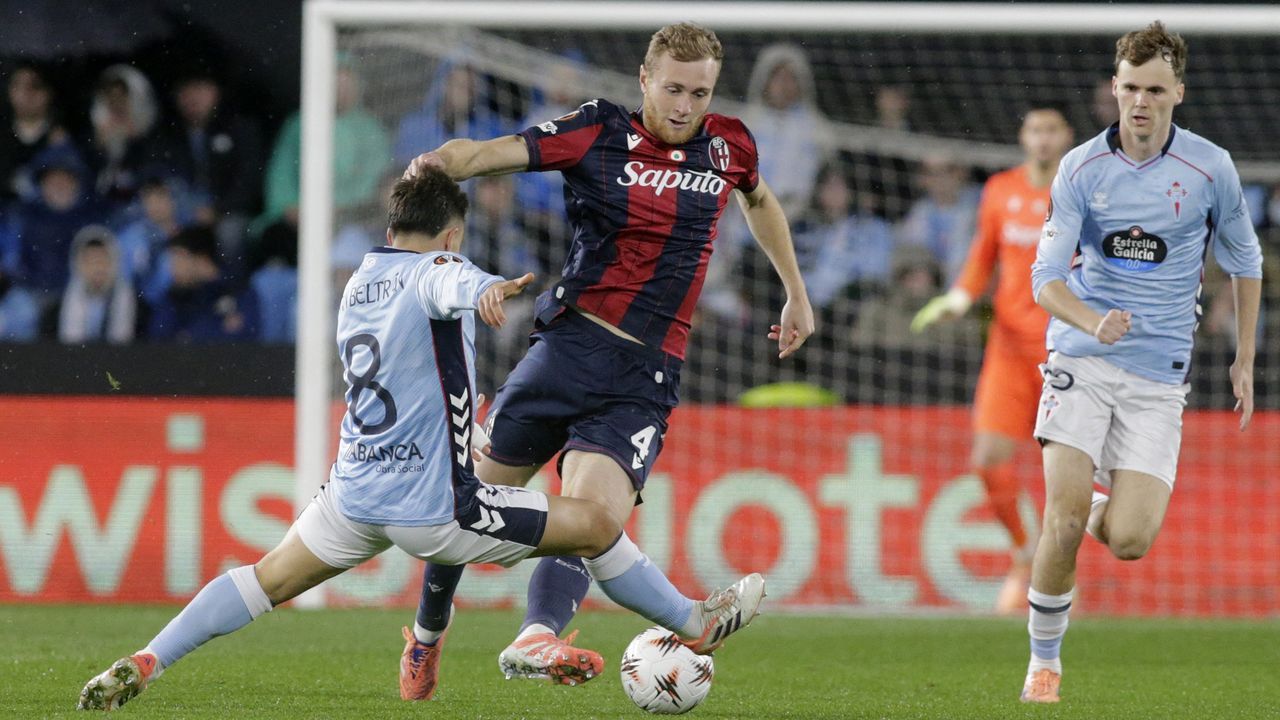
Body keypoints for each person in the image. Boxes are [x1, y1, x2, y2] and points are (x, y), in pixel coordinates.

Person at [77, 169, 765, 711]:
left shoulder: (359, 282)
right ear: (449, 234)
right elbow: (451, 281)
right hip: (435, 509)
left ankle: (149, 658)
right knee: (594, 523)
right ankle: (693, 621)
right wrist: (490, 286)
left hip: (353, 495)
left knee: (265, 580)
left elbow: (432, 283)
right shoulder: (440, 270)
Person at [399, 22, 813, 699]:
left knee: (592, 521)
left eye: (699, 93)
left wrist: (795, 293)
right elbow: (487, 154)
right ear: (645, 80)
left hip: (644, 377)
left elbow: (759, 199)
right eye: (673, 89)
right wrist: (437, 165)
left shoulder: (728, 144)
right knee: (458, 509)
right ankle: (426, 636)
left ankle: (537, 636)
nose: (684, 106)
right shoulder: (597, 132)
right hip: (564, 352)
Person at [1019, 22, 1262, 703]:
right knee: (1061, 522)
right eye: (1130, 87)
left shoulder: (1210, 168)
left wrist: (1244, 359)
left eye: (1155, 89)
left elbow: (1246, 262)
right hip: (1082, 359)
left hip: (1159, 376)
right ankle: (1045, 664)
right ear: (1114, 88)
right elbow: (1045, 278)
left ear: (1177, 92)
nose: (1140, 102)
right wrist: (1092, 321)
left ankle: (1103, 502)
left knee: (1127, 540)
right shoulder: (1080, 168)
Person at [910, 104, 1075, 614]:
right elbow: (982, 255)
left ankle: (1057, 575)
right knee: (987, 460)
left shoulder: (1085, 191)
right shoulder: (1000, 189)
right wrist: (959, 298)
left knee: (1066, 476)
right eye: (1034, 128)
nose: (1043, 139)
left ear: (1067, 136)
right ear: (1023, 136)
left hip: (1066, 349)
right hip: (1007, 348)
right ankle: (1025, 553)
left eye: (1051, 129)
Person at [47, 225, 138, 344]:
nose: (97, 268)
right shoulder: (55, 309)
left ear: (114, 262)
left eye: (102, 260)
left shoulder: (138, 308)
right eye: (91, 261)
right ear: (78, 265)